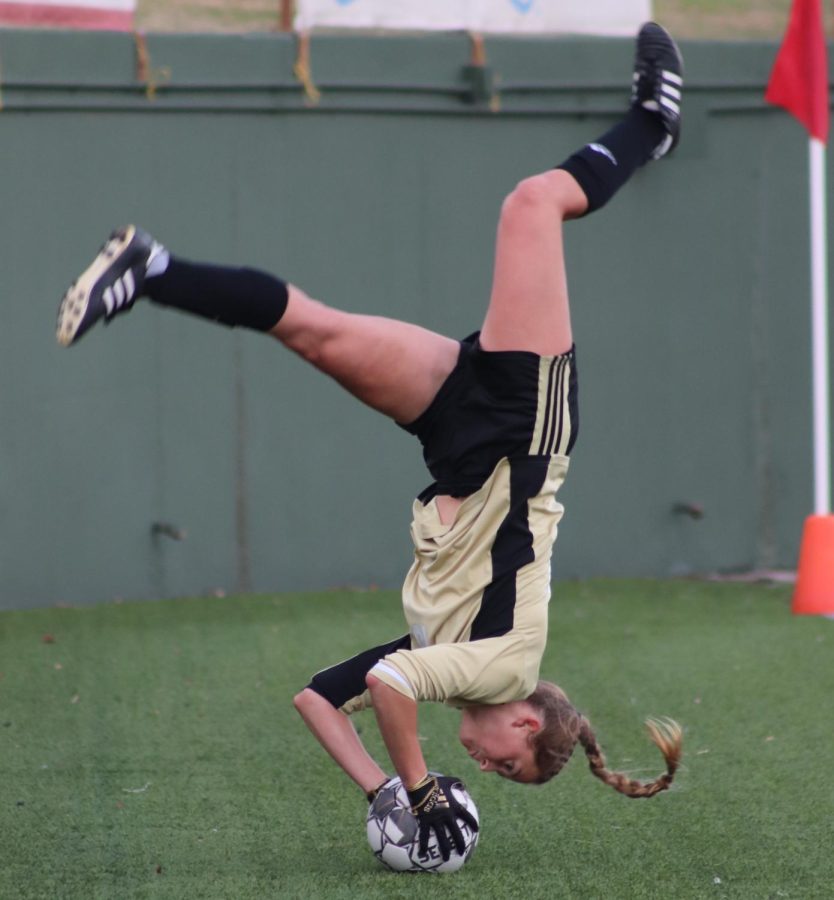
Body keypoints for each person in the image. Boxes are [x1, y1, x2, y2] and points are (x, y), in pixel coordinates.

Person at [57, 22, 685, 862]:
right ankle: (654, 123)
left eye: (495, 775)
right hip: (523, 425)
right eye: (509, 764)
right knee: (532, 203)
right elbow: (391, 689)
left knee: (313, 333)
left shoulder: (437, 657)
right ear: (525, 719)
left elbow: (317, 699)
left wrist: (381, 792)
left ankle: (152, 269)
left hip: (454, 441)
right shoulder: (498, 667)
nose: (488, 767)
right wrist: (420, 790)